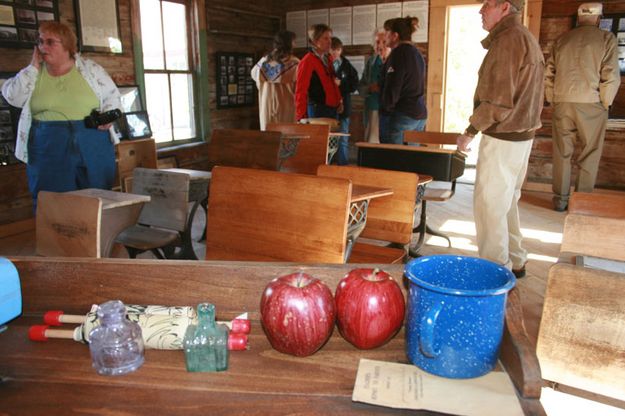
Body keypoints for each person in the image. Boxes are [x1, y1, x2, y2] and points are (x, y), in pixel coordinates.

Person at [455, 0, 544, 278]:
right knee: (506, 201)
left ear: (505, 7)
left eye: (488, 5)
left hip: (504, 136)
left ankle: (495, 271)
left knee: (490, 206)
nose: (481, 11)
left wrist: (469, 132)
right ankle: (515, 259)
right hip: (521, 136)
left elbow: (498, 102)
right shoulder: (524, 37)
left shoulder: (508, 41)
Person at [1, 21, 120, 211]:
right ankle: (59, 241)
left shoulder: (90, 69)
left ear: (67, 45)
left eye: (50, 42)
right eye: (40, 41)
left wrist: (108, 116)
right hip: (48, 142)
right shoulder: (32, 74)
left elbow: (113, 97)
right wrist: (33, 67)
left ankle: (98, 240)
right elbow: (12, 97)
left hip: (91, 137)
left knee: (98, 196)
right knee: (53, 201)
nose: (43, 47)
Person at [544, 2, 621, 212]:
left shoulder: (562, 39)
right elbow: (611, 76)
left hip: (562, 102)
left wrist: (553, 99)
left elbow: (548, 73)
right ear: (599, 18)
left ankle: (560, 201)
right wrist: (605, 102)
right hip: (592, 102)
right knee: (590, 153)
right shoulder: (606, 39)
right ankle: (580, 202)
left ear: (579, 18)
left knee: (562, 153)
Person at [379, 16, 427, 144]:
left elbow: (394, 86)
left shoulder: (398, 54)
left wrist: (385, 110)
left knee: (394, 160)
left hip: (403, 114)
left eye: (387, 33)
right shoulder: (417, 53)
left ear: (395, 35)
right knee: (410, 159)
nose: (385, 37)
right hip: (418, 114)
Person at [251, 30, 300, 130]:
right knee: (286, 136)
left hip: (267, 103)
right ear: (289, 43)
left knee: (269, 138)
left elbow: (255, 76)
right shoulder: (294, 63)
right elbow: (298, 86)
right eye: (294, 42)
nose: (295, 44)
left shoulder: (264, 61)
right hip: (286, 104)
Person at [295, 24, 342, 122]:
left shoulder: (327, 59)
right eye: (325, 38)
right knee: (319, 138)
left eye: (330, 38)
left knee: (333, 137)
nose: (329, 42)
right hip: (318, 109)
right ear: (315, 41)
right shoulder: (307, 61)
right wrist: (301, 117)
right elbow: (301, 90)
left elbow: (333, 82)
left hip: (332, 108)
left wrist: (339, 101)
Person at [359, 29, 391, 144]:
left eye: (384, 42)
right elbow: (361, 85)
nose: (381, 46)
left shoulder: (393, 60)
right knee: (370, 143)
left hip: (388, 112)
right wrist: (369, 88)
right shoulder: (371, 62)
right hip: (371, 109)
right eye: (378, 42)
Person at [330, 37, 358, 165]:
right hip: (328, 107)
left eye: (338, 49)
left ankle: (343, 165)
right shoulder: (325, 64)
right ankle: (326, 165)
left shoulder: (347, 66)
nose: (335, 52)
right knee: (327, 137)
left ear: (341, 50)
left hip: (344, 107)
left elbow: (354, 85)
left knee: (343, 137)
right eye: (332, 49)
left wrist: (342, 83)